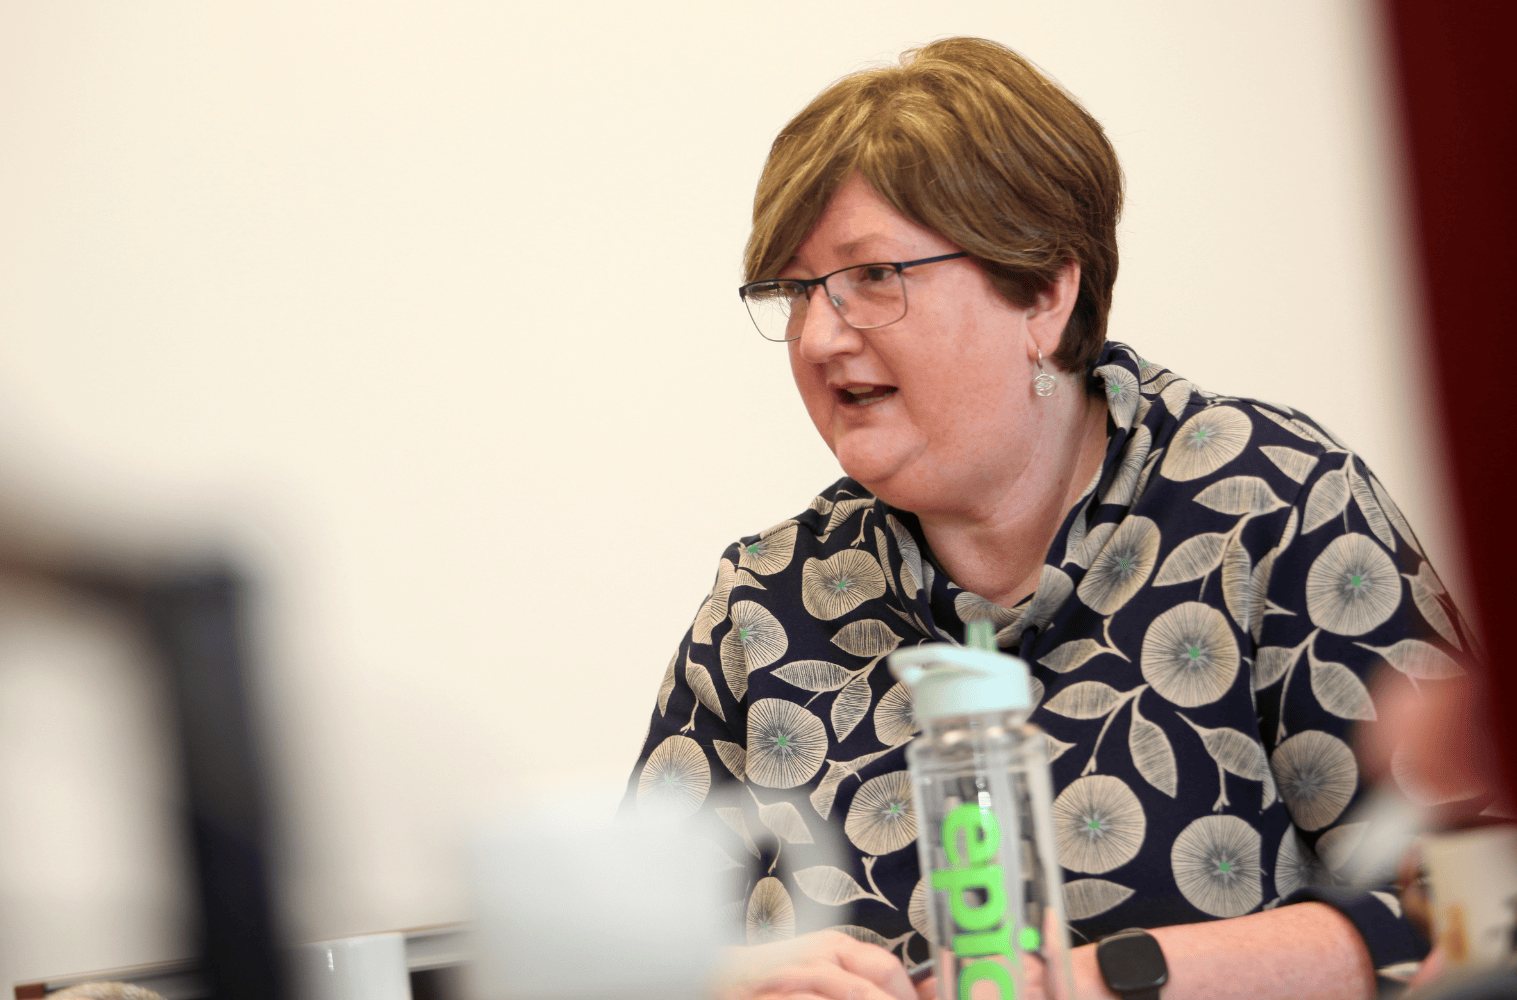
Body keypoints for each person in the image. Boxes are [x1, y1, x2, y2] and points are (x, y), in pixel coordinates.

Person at [624, 37, 1471, 1000]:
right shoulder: (765, 606)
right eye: (795, 291)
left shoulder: (1270, 506)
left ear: (1045, 294)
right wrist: (723, 982)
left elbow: (1480, 905)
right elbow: (610, 966)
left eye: (874, 277)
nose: (818, 337)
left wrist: (1100, 981)